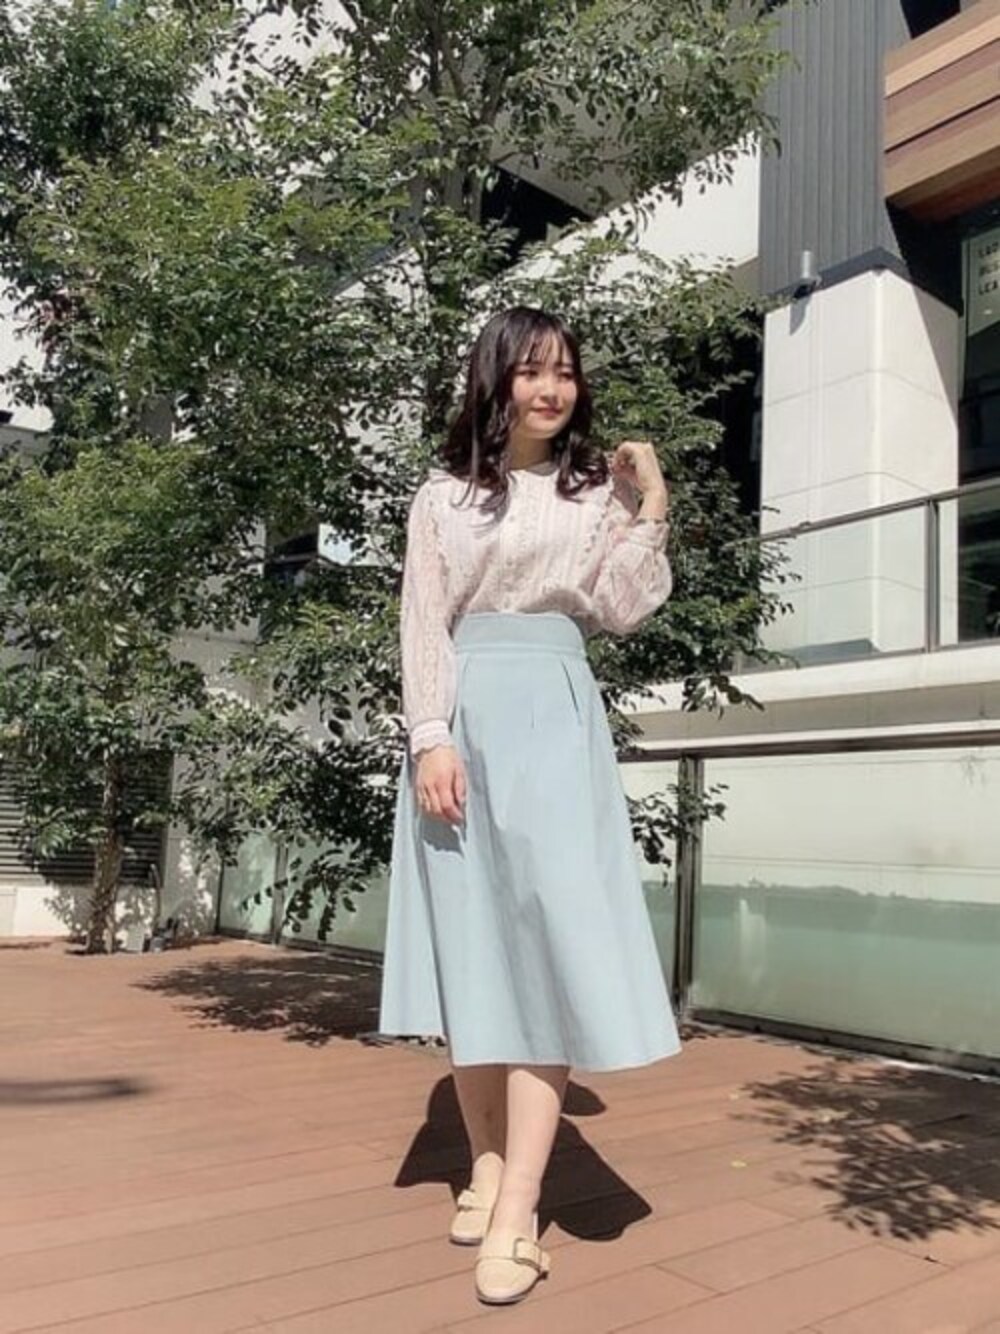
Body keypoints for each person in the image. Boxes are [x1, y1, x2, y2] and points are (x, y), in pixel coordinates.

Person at [378, 305, 681, 1306]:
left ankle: (518, 1211)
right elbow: (424, 618)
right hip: (462, 719)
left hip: (554, 715)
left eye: (565, 372)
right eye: (531, 371)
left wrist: (651, 504)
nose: (552, 389)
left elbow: (623, 608)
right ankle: (482, 1162)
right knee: (474, 951)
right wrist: (430, 735)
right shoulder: (443, 497)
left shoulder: (593, 494)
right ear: (495, 379)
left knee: (545, 953)